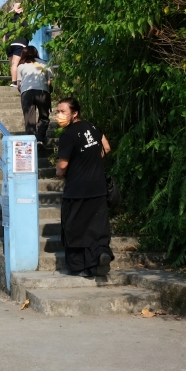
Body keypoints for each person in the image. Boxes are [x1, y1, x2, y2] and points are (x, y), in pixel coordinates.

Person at [55, 97, 114, 278]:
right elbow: (106, 147)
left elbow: (62, 166)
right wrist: (90, 161)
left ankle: (79, 266)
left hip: (76, 190)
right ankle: (100, 254)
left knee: (75, 227)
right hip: (98, 187)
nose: (59, 115)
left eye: (63, 112)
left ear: (74, 113)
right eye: (57, 111)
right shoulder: (93, 127)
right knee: (97, 226)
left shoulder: (68, 135)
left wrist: (60, 171)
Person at [16, 46, 52, 145]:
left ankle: (31, 141)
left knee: (29, 118)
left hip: (26, 92)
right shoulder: (44, 63)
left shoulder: (21, 66)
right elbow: (49, 82)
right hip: (42, 91)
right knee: (44, 116)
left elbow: (19, 85)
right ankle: (40, 139)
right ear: (36, 53)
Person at [4, 3, 28, 88]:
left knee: (12, 64)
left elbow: (4, 34)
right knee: (16, 63)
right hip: (19, 42)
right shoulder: (23, 19)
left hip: (8, 43)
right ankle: (15, 82)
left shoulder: (8, 20)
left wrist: (5, 46)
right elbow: (27, 31)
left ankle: (14, 81)